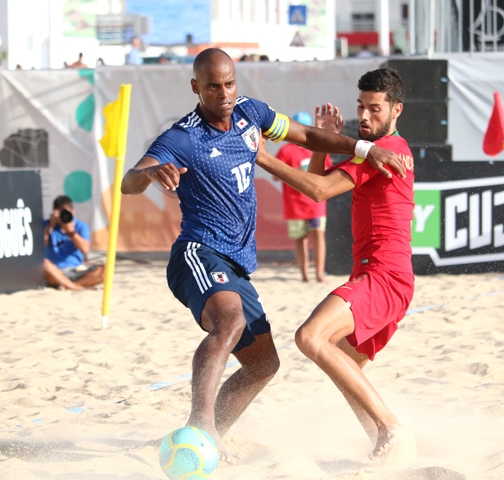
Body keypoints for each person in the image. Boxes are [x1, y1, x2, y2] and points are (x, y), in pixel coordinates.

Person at [120, 48, 405, 464]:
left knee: (264, 364)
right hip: (199, 252)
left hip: (236, 263)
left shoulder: (250, 112)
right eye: (214, 86)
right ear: (196, 88)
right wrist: (146, 174)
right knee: (230, 322)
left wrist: (362, 148)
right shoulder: (181, 137)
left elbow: (306, 136)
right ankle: (201, 425)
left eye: (230, 83)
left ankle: (209, 435)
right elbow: (129, 182)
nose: (225, 93)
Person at [256, 68, 416, 463]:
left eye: (374, 109)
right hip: (377, 276)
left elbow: (319, 189)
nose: (364, 116)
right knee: (347, 371)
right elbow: (319, 187)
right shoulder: (372, 149)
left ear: (397, 110)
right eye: (360, 107)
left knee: (310, 338)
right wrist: (320, 146)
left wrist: (261, 157)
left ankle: (391, 429)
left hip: (384, 276)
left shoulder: (388, 151)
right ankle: (384, 448)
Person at [274, 111, 333, 283]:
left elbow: (328, 170)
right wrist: (295, 173)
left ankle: (320, 274)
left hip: (315, 201)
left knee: (318, 235)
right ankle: (305, 275)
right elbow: (276, 175)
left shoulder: (318, 147)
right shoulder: (286, 150)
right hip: (295, 203)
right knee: (300, 239)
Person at [43, 195, 104, 291]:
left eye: (65, 212)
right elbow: (39, 248)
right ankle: (75, 287)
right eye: (59, 212)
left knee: (104, 271)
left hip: (76, 270)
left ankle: (67, 285)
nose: (62, 215)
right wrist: (50, 227)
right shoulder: (46, 225)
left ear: (73, 212)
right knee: (44, 264)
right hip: (54, 271)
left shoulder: (80, 226)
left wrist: (71, 233)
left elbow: (85, 249)